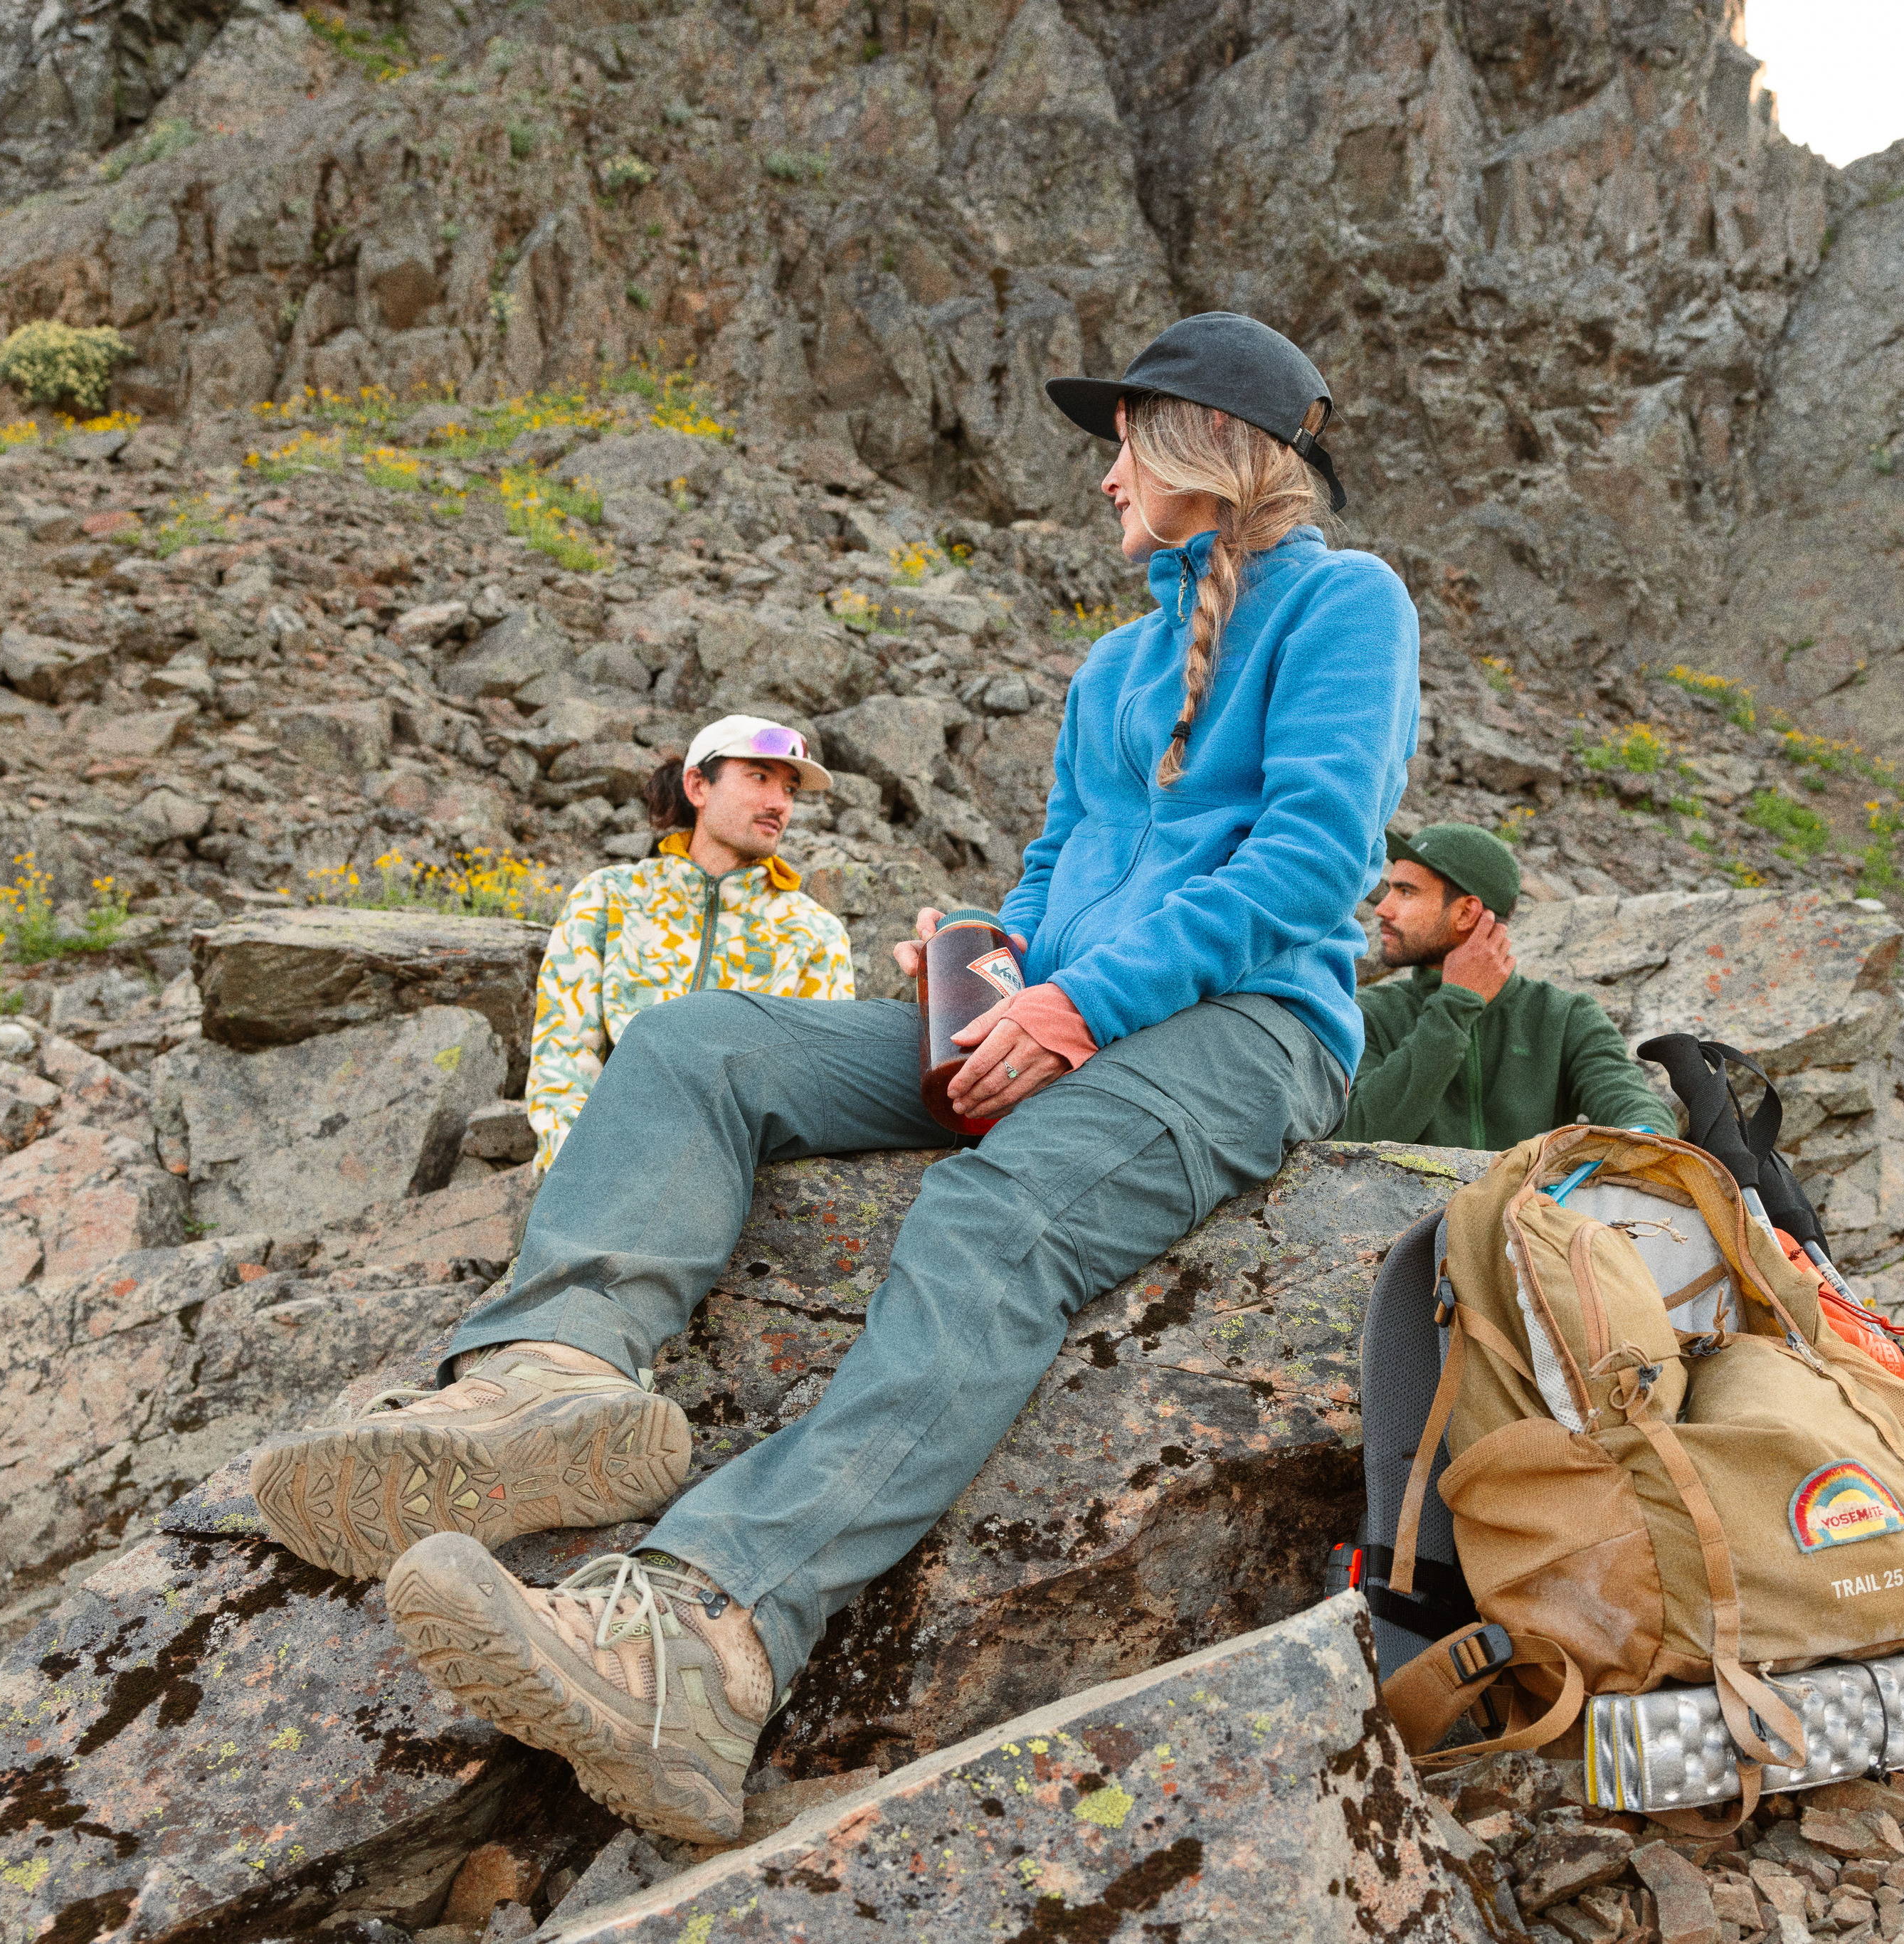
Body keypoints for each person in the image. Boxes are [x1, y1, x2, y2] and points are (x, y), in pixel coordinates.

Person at [245, 311, 1419, 1842]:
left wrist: (1077, 1001)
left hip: (1248, 1029)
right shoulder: (1114, 665)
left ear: (1204, 446)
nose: (1104, 478)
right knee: (697, 1043)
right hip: (1063, 1004)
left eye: (1121, 442)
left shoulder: (1344, 606)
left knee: (988, 1224)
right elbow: (1063, 865)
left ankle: (703, 1636)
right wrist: (990, 955)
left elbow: (1314, 860)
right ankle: (550, 1385)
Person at [522, 715, 855, 1170]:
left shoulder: (815, 934)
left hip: (736, 1186)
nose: (779, 802)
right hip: (600, 1168)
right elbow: (562, 1055)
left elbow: (818, 1093)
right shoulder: (608, 898)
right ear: (698, 786)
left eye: (790, 790)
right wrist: (578, 1173)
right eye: (760, 777)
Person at [1336, 822, 1673, 1148]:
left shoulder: (1564, 1016)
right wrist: (1455, 1004)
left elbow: (1629, 1101)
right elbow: (1352, 1134)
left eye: (1406, 892)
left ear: (1467, 913)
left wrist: (1646, 1140)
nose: (1382, 908)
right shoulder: (1368, 1012)